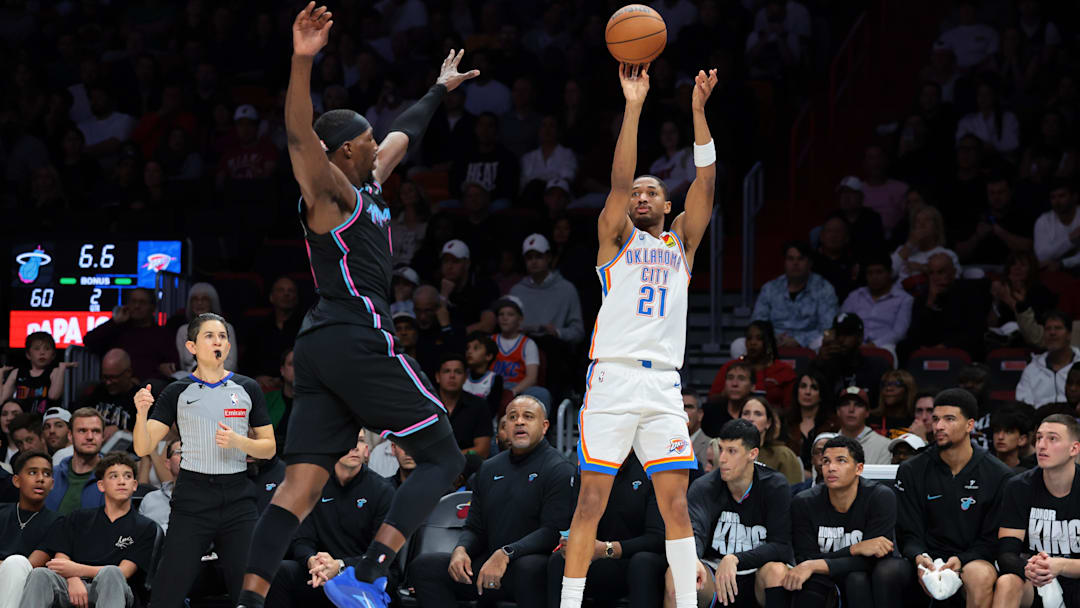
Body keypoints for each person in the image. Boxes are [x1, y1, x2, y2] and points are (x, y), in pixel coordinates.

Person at [237, 7, 476, 607]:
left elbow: (404, 133)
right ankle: (370, 573)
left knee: (299, 487)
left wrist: (438, 90)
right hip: (354, 332)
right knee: (443, 454)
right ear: (344, 151)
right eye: (367, 142)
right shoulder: (332, 194)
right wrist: (301, 60)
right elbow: (298, 135)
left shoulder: (367, 184)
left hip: (320, 348)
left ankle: (248, 601)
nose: (379, 146)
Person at [563, 64, 719, 608]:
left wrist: (698, 113)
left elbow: (707, 182)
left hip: (663, 387)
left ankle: (686, 604)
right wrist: (633, 106)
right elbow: (616, 179)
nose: (642, 196)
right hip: (612, 377)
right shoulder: (614, 239)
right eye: (637, 193)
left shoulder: (682, 246)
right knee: (591, 501)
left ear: (667, 206)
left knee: (675, 503)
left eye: (653, 191)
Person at [132, 312, 275, 607]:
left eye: (222, 336)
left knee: (249, 592)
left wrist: (239, 442)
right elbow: (143, 445)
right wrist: (141, 413)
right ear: (192, 347)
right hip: (193, 499)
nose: (218, 341)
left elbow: (270, 448)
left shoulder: (248, 388)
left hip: (238, 498)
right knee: (166, 592)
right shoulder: (176, 391)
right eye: (209, 336)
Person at [410, 395, 574, 608]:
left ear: (544, 427)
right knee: (425, 567)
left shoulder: (559, 469)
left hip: (530, 567)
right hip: (490, 564)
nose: (519, 422)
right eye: (513, 417)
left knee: (529, 567)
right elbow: (474, 527)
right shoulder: (489, 469)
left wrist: (507, 553)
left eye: (528, 416)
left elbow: (553, 531)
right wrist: (461, 550)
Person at [894, 388, 1013, 608]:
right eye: (936, 419)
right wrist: (919, 558)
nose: (939, 426)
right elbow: (908, 533)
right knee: (890, 571)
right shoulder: (911, 470)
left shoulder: (999, 475)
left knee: (980, 575)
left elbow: (992, 540)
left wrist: (962, 560)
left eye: (949, 419)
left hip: (973, 559)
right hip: (925, 559)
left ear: (970, 425)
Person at [266, 432, 396, 608]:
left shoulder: (383, 491)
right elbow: (302, 539)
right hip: (321, 573)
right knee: (282, 571)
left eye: (360, 441)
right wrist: (311, 560)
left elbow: (381, 553)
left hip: (362, 574)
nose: (354, 447)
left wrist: (341, 566)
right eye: (347, 440)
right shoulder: (313, 486)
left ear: (367, 449)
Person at [783, 435, 912, 608]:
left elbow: (878, 557)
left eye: (841, 461)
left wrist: (816, 564)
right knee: (852, 578)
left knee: (864, 576)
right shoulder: (804, 502)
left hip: (875, 573)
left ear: (859, 468)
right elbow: (805, 558)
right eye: (826, 461)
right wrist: (855, 549)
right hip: (823, 576)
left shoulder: (880, 497)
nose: (831, 468)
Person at [21, 452, 157, 608]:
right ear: (101, 485)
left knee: (111, 572)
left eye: (127, 476)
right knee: (40, 574)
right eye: (113, 476)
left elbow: (123, 572)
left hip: (115, 589)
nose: (121, 481)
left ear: (134, 485)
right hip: (72, 585)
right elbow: (60, 561)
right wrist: (73, 579)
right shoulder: (79, 517)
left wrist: (76, 570)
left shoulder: (145, 527)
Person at [683, 419, 792, 608]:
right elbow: (695, 532)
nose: (722, 458)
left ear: (753, 453)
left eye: (731, 451)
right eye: (721, 448)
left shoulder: (775, 486)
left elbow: (781, 546)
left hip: (759, 570)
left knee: (777, 571)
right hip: (715, 572)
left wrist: (735, 558)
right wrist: (692, 559)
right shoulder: (704, 486)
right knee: (679, 574)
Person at [547, 453, 667, 608]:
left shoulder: (652, 468)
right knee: (559, 561)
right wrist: (572, 541)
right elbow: (576, 521)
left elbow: (657, 538)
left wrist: (608, 549)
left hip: (636, 558)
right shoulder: (587, 470)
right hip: (597, 557)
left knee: (642, 562)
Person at [995, 414, 1080, 608]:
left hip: (1075, 576)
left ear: (1074, 448)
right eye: (1039, 438)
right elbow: (1007, 552)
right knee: (1007, 582)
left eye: (1052, 439)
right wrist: (1030, 569)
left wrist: (1059, 566)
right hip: (1036, 580)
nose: (1041, 445)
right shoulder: (1018, 487)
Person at [737, 241, 838, 355]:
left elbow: (828, 329)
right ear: (785, 262)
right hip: (774, 341)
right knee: (738, 345)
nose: (795, 263)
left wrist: (798, 340)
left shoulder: (824, 288)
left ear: (809, 263)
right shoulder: (770, 288)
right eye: (791, 258)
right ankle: (748, 373)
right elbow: (758, 323)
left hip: (809, 341)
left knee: (824, 341)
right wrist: (773, 338)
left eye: (800, 259)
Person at [900, 252, 991, 361]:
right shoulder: (923, 298)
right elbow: (914, 333)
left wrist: (944, 346)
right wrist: (930, 302)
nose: (935, 278)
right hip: (928, 347)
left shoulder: (970, 293)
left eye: (940, 272)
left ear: (953, 272)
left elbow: (976, 330)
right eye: (931, 273)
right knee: (903, 347)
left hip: (958, 347)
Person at [0, 451, 59, 608]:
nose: (40, 479)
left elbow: (31, 566)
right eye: (33, 472)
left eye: (46, 474)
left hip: (26, 588)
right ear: (17, 480)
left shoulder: (58, 522)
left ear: (52, 484)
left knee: (16, 563)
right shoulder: (2, 511)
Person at [82, 287, 178, 381]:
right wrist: (115, 321)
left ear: (152, 308)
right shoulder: (116, 329)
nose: (136, 306)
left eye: (142, 303)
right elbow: (89, 340)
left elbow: (172, 365)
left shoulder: (162, 335)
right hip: (114, 383)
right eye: (133, 302)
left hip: (147, 386)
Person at [811, 313, 892, 407]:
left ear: (860, 338)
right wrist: (820, 363)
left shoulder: (877, 367)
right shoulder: (824, 365)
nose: (841, 340)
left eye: (847, 334)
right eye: (838, 334)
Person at [840, 253, 914, 355]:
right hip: (854, 346)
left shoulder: (904, 299)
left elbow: (899, 332)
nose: (874, 277)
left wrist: (874, 345)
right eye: (870, 273)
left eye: (879, 272)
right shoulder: (855, 296)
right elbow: (842, 321)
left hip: (885, 347)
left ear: (890, 273)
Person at [710, 321, 796, 408]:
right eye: (749, 338)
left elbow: (791, 409)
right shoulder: (731, 367)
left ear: (769, 342)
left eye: (759, 338)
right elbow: (711, 400)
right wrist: (725, 394)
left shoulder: (784, 370)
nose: (753, 343)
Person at [244, 276, 303, 388]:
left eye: (291, 291)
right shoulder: (259, 328)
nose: (286, 294)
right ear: (271, 297)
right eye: (281, 290)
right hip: (262, 386)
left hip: (296, 386)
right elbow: (248, 361)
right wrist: (257, 377)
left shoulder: (305, 327)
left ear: (296, 298)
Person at [46, 408, 105, 515]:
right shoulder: (50, 476)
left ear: (103, 437)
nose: (90, 437)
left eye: (95, 431)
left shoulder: (114, 478)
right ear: (70, 436)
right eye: (82, 431)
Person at [76, 348, 141, 441]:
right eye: (104, 377)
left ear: (128, 373)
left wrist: (121, 433)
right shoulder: (98, 392)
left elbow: (152, 440)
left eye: (113, 377)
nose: (108, 382)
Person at [1017, 311, 1080, 407]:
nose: (1052, 333)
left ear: (1069, 334)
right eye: (1048, 329)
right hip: (1040, 420)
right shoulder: (1031, 370)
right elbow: (1023, 406)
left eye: (1058, 328)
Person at [435, 354, 493, 458]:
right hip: (430, 466)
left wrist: (449, 458)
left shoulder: (479, 405)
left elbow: (483, 450)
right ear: (438, 377)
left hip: (468, 468)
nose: (452, 376)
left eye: (458, 372)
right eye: (447, 371)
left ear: (465, 377)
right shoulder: (426, 405)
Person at [175, 282, 239, 374]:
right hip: (191, 380)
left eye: (204, 299)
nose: (199, 303)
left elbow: (231, 364)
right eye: (195, 299)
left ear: (212, 302)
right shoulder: (183, 330)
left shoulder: (227, 328)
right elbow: (183, 366)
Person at [0, 332, 70, 415]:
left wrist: (61, 369)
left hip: (43, 421)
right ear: (28, 354)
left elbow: (54, 396)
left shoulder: (54, 372)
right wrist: (0, 374)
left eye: (47, 349)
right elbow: (2, 399)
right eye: (37, 349)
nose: (42, 353)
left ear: (53, 355)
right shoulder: (17, 373)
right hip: (20, 420)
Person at [784, 370, 839, 472]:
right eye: (803, 386)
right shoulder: (786, 422)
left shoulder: (833, 424)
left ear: (821, 394)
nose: (807, 392)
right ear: (797, 391)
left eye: (814, 388)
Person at [890, 206, 960, 282]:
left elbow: (954, 278)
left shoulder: (947, 254)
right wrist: (910, 244)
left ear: (936, 228)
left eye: (927, 220)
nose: (922, 224)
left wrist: (922, 268)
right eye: (918, 221)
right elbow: (888, 273)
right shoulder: (903, 250)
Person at [741, 397, 802, 484]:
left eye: (758, 414)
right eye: (746, 413)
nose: (750, 419)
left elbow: (793, 491)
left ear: (768, 423)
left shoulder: (783, 455)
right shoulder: (729, 452)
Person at [491, 296, 541, 396]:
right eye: (501, 314)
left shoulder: (528, 344)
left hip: (518, 388)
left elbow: (532, 377)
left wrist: (512, 392)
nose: (504, 318)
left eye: (510, 314)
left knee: (541, 393)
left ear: (520, 319)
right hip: (491, 386)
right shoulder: (490, 340)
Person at [831, 176, 887, 259]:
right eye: (842, 193)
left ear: (861, 196)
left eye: (850, 192)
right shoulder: (833, 217)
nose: (845, 197)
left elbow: (878, 249)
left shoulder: (872, 218)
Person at [835, 387, 892, 465]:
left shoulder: (884, 445)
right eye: (846, 404)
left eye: (858, 405)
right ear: (838, 411)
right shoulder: (825, 444)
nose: (851, 409)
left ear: (867, 412)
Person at [1033, 180, 1080, 271]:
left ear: (1074, 197)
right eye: (1053, 197)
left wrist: (1062, 263)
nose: (1057, 201)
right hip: (1053, 274)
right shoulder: (1043, 221)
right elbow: (1041, 256)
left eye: (1062, 196)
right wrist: (1069, 240)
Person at [137, 438, 181, 532]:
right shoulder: (150, 499)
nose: (185, 456)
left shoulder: (203, 500)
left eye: (188, 453)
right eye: (179, 452)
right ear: (168, 464)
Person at [702, 361, 755, 437]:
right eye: (730, 378)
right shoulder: (709, 413)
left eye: (741, 378)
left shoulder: (757, 414)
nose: (734, 384)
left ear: (753, 387)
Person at [870, 370, 923, 438]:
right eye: (885, 384)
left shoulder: (916, 421)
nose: (888, 388)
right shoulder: (871, 418)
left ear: (908, 389)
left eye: (896, 384)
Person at [463, 332, 504, 416]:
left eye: (476, 348)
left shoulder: (495, 379)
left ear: (488, 356)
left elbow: (491, 410)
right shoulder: (461, 374)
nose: (469, 352)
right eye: (467, 348)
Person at [264, 349, 294, 456]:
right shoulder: (267, 400)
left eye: (300, 364)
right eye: (291, 364)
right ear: (282, 370)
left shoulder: (315, 403)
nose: (297, 368)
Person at [990, 404, 1037, 473]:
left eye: (1008, 432)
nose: (1000, 437)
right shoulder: (983, 467)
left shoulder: (1030, 473)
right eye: (997, 431)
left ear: (1022, 439)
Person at [684, 390, 710, 469]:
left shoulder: (711, 446)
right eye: (679, 407)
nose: (683, 412)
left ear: (700, 414)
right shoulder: (664, 445)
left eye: (688, 407)